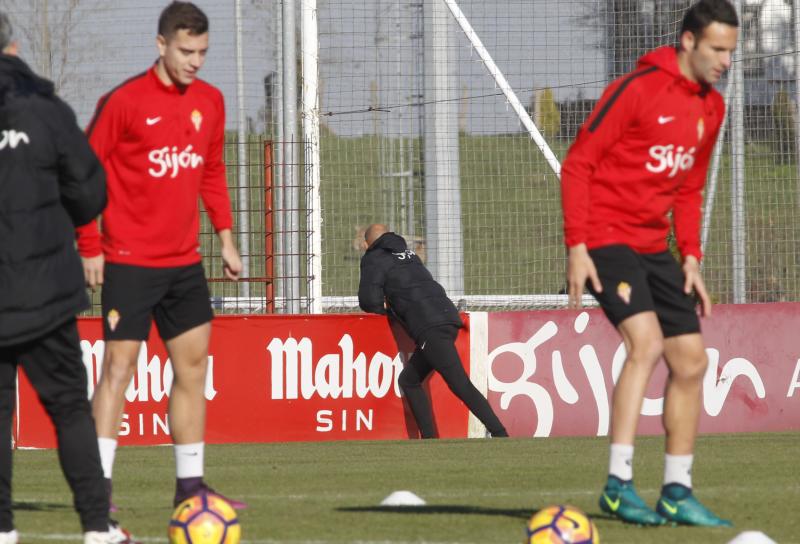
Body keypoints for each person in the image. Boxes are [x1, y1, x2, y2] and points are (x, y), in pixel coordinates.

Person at [560, 0, 738, 527]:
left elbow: (689, 188)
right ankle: (617, 485)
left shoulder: (712, 108)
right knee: (648, 344)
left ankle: (677, 492)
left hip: (653, 247)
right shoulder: (637, 89)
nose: (726, 61)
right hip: (604, 238)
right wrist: (576, 246)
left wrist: (691, 257)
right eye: (717, 49)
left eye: (731, 50)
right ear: (688, 42)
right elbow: (578, 165)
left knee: (691, 362)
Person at [75, 1, 244, 512]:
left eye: (203, 52)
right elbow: (84, 172)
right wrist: (90, 245)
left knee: (192, 369)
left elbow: (211, 170)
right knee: (119, 370)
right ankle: (97, 490)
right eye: (186, 51)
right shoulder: (124, 101)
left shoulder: (211, 101)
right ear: (161, 44)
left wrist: (227, 237)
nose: (195, 60)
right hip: (127, 260)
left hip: (184, 264)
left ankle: (190, 488)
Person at [0, 12, 134, 544]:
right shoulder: (46, 110)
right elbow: (89, 191)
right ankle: (97, 528)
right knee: (69, 410)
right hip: (42, 289)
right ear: (12, 44)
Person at [358, 224, 508, 439]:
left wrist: (389, 310)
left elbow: (368, 301)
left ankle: (500, 434)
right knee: (408, 380)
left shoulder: (374, 258)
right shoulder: (407, 253)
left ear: (366, 244)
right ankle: (430, 439)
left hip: (430, 326)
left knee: (459, 384)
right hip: (446, 316)